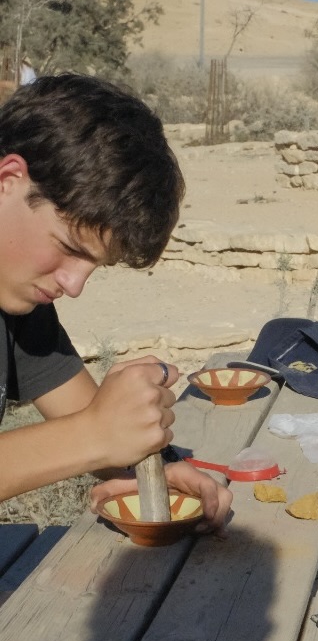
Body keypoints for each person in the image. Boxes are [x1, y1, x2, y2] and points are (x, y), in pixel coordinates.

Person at [0, 73, 231, 530]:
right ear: (8, 180)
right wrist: (92, 436)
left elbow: (86, 415)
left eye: (94, 266)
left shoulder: (17, 294)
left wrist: (151, 468)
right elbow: (91, 430)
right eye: (68, 247)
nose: (74, 285)